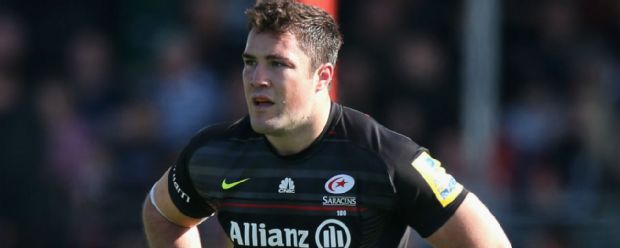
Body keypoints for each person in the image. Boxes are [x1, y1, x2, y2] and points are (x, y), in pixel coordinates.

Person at [142, 0, 511, 247]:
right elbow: (161, 215)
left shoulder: (386, 159)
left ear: (322, 76)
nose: (257, 77)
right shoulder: (214, 154)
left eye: (278, 64)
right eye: (249, 61)